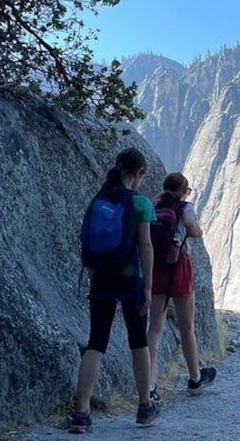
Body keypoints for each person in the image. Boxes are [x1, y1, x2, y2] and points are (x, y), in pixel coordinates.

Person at [70, 147, 161, 433]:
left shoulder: (97, 199)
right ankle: (145, 405)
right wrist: (148, 286)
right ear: (139, 173)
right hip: (130, 279)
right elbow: (145, 246)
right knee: (138, 341)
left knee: (96, 342)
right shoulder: (141, 203)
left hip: (101, 278)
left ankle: (81, 413)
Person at [148, 172, 217, 400]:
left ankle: (149, 385)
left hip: (156, 268)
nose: (188, 194)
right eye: (187, 190)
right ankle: (195, 378)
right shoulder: (185, 208)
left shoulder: (155, 205)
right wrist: (197, 230)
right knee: (187, 328)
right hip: (179, 267)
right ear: (181, 191)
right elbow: (192, 228)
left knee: (155, 328)